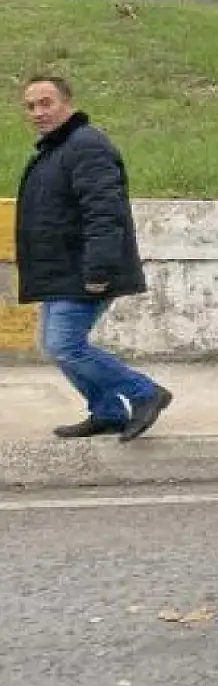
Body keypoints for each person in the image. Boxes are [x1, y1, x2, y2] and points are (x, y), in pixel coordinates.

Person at [15, 76, 171, 441]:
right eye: (31, 106)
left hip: (84, 270)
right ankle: (109, 411)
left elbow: (105, 211)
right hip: (60, 272)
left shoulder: (86, 146)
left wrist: (99, 270)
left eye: (46, 102)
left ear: (67, 103)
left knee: (64, 344)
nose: (38, 112)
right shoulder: (54, 150)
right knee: (54, 346)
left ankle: (144, 393)